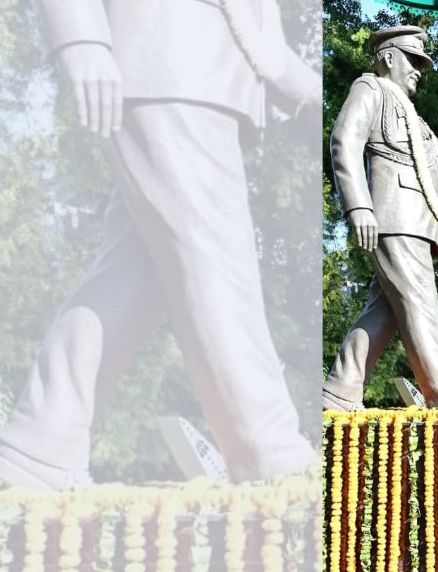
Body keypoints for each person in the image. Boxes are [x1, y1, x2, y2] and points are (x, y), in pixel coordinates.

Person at [0, 0, 321, 488]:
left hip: (201, 72)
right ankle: (266, 451)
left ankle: (40, 444)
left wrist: (315, 96)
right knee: (216, 259)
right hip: (169, 56)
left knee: (135, 277)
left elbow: (260, 37)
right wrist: (83, 35)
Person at [322, 26, 438, 412]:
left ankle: (338, 392)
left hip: (420, 224)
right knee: (420, 305)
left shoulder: (417, 121)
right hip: (393, 218)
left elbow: (433, 188)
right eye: (412, 59)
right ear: (388, 57)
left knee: (382, 313)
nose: (419, 68)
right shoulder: (371, 89)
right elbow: (344, 142)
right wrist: (360, 206)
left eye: (423, 62)